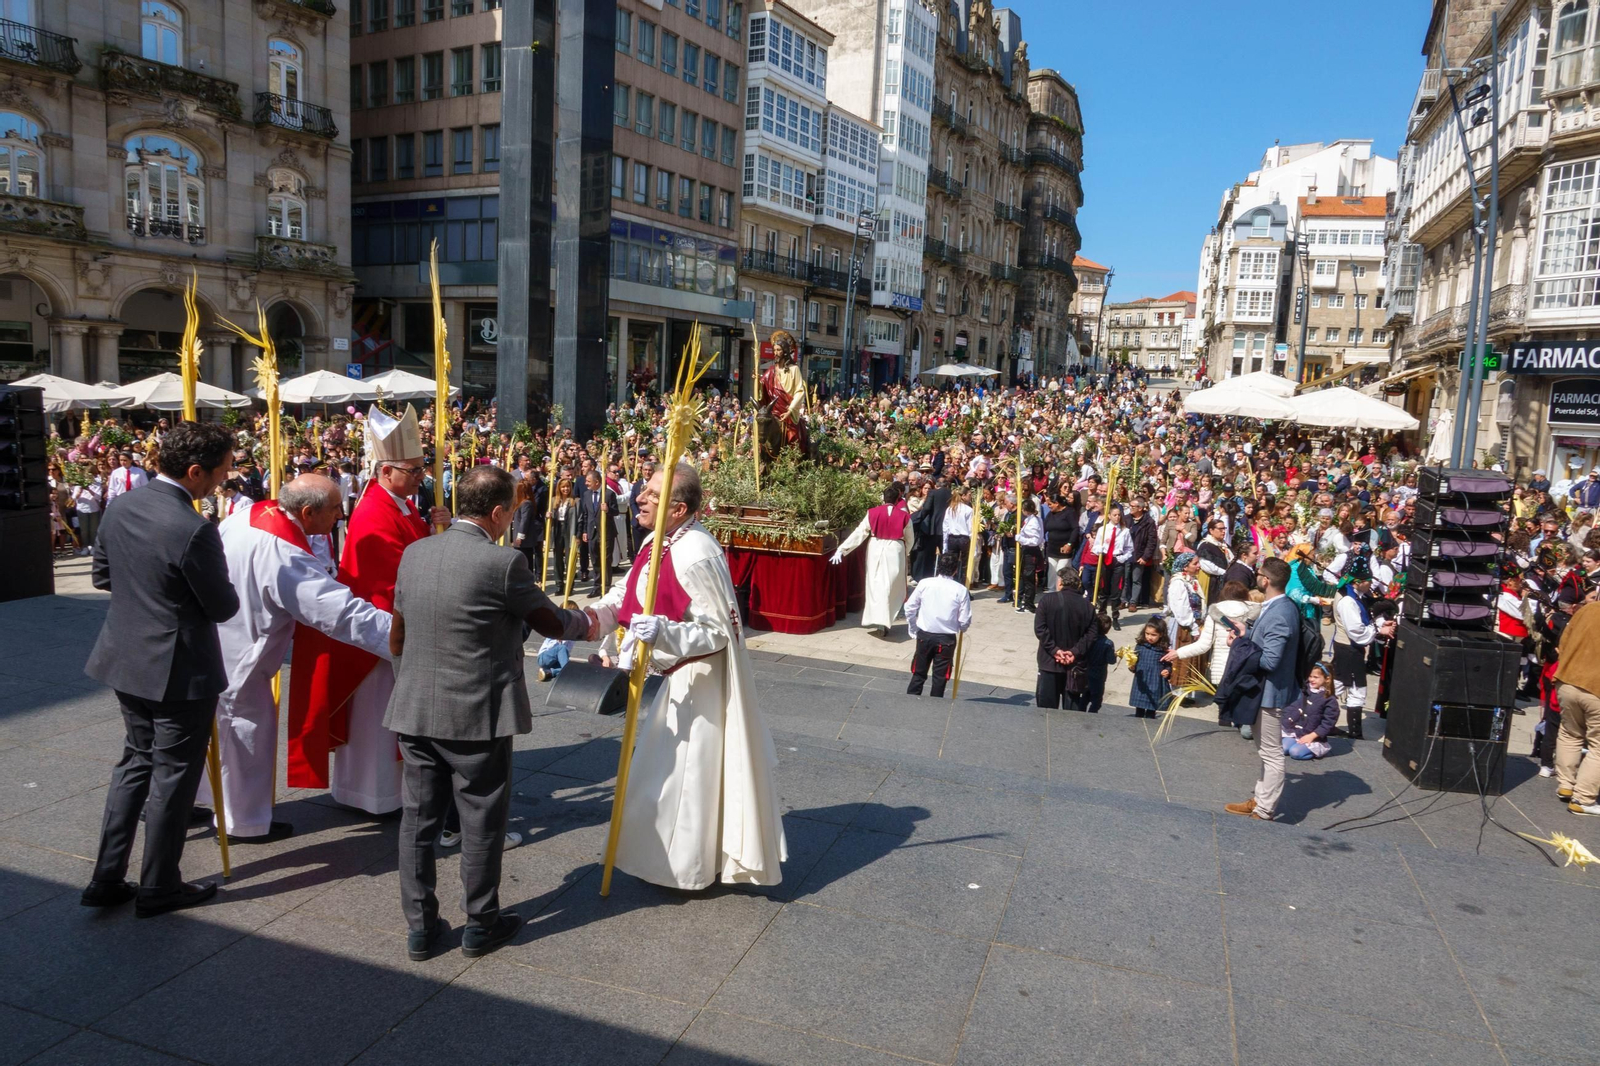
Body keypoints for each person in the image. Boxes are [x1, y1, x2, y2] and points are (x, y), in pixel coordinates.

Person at [386, 465, 594, 960]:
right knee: (481, 820)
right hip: (476, 713)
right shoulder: (502, 563)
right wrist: (594, 621)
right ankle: (481, 922)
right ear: (499, 512)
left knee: (418, 821)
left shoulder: (415, 552)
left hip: (415, 707)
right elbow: (552, 621)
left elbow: (398, 634)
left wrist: (410, 683)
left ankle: (420, 926)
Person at [588, 462, 787, 889]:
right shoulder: (657, 540)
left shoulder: (697, 551)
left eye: (652, 495)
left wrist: (665, 631)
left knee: (688, 776)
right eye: (644, 490)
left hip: (700, 683)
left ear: (678, 509)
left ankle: (686, 868)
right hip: (674, 678)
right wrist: (589, 618)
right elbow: (628, 592)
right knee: (663, 774)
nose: (639, 497)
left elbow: (719, 631)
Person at [80, 421, 239, 918]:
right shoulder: (192, 528)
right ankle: (159, 884)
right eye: (220, 471)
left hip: (126, 657)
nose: (223, 480)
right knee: (172, 775)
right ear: (195, 472)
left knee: (134, 764)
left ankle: (107, 876)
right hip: (179, 668)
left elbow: (103, 575)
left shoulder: (122, 505)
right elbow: (223, 606)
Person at [288, 404, 451, 819]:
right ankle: (373, 797)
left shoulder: (402, 503)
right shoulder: (376, 510)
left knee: (386, 719)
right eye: (413, 471)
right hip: (380, 630)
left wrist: (439, 529)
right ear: (385, 471)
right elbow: (392, 577)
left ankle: (389, 794)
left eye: (421, 470)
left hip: (395, 624)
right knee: (378, 720)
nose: (421, 477)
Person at [212, 475, 393, 843]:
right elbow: (338, 613)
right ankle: (240, 821)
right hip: (246, 653)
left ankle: (213, 805)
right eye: (334, 511)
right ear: (307, 512)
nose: (340, 517)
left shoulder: (246, 516)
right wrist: (401, 637)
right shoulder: (283, 550)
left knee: (218, 731)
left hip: (220, 640)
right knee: (242, 730)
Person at [1225, 557, 1301, 822]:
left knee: (1271, 752)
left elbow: (1269, 660)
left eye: (1259, 574)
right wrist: (1247, 633)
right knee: (1264, 750)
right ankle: (1260, 798)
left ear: (1265, 580)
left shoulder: (1281, 613)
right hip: (1264, 691)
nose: (1257, 576)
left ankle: (1265, 809)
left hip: (1270, 693)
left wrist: (1240, 647)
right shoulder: (1278, 605)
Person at [831, 483, 916, 637]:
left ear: (883, 499)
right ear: (898, 499)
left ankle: (879, 619)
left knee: (875, 584)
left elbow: (860, 533)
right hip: (895, 549)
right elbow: (910, 539)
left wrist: (842, 549)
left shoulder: (872, 512)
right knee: (891, 586)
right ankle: (887, 618)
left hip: (876, 548)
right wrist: (904, 553)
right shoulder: (904, 516)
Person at [1329, 557, 1391, 740]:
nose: (1371, 583)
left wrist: (1380, 623)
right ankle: (1345, 731)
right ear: (1358, 582)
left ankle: (1337, 727)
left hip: (1348, 649)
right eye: (1368, 581)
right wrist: (1380, 630)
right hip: (1348, 649)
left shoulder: (1356, 595)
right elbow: (1357, 631)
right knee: (1348, 688)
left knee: (1339, 685)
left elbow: (1365, 619)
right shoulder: (1348, 601)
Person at [904, 549, 972, 698]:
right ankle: (935, 705)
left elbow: (909, 608)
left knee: (919, 673)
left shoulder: (925, 584)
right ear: (955, 570)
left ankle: (910, 699)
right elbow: (965, 620)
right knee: (939, 678)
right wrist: (961, 628)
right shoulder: (960, 590)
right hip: (946, 639)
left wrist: (913, 628)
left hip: (925, 635)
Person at [1554, 598, 1600, 816]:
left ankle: (1566, 785)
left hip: (1568, 680)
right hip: (1596, 688)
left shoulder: (1588, 609)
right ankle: (1583, 799)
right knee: (1598, 746)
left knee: (1570, 733)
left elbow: (1564, 641)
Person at [1033, 569, 1100, 711]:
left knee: (1046, 711)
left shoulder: (1047, 600)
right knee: (1071, 713)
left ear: (1060, 582)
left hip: (1049, 663)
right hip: (1075, 666)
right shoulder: (1088, 607)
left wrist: (1055, 650)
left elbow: (1040, 629)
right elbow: (1092, 635)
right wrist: (1074, 652)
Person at [1280, 664, 1339, 759]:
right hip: (1296, 732)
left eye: (1316, 677)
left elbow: (1328, 723)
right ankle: (1296, 743)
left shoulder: (1330, 700)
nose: (1311, 679)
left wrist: (1312, 736)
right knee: (1283, 748)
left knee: (1295, 753)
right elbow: (1292, 707)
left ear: (1327, 679)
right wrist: (1287, 720)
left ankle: (1316, 752)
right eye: (1310, 676)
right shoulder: (1305, 691)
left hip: (1314, 737)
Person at [1128, 620, 1172, 719]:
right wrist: (1132, 666)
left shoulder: (1163, 649)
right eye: (1147, 633)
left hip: (1155, 683)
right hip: (1141, 682)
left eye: (1153, 635)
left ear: (1161, 635)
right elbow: (1134, 661)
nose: (1149, 637)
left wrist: (1167, 671)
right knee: (1139, 710)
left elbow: (1168, 665)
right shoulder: (1140, 646)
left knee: (1151, 710)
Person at [1014, 496, 1045, 613]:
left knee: (1029, 578)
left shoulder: (1034, 522)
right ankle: (1026, 600)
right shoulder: (1029, 520)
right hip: (1027, 551)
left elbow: (1035, 540)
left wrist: (1020, 539)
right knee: (1025, 577)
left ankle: (1029, 604)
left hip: (1031, 551)